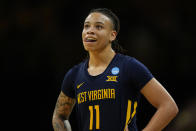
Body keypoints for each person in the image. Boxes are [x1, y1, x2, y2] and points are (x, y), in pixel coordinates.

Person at [52, 8, 178, 131]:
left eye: (99, 27)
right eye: (86, 26)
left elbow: (169, 106)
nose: (90, 31)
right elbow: (59, 116)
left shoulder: (129, 66)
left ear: (112, 35)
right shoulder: (74, 75)